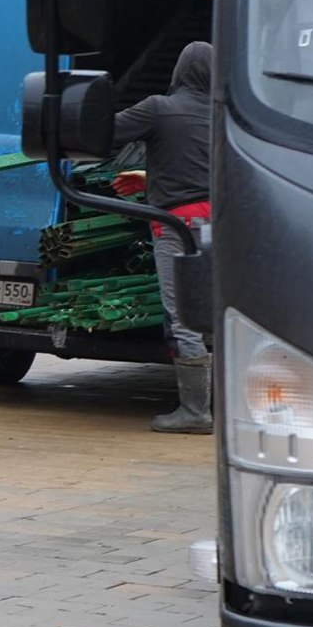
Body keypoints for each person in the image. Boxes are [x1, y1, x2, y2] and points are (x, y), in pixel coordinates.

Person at [110, 40, 213, 434]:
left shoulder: (159, 108)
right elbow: (204, 169)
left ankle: (195, 412)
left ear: (179, 71)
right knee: (218, 314)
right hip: (223, 225)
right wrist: (150, 177)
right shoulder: (225, 117)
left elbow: (103, 132)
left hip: (179, 228)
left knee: (184, 316)